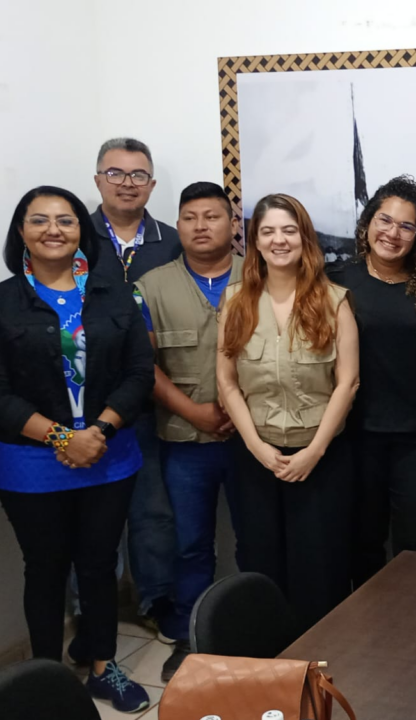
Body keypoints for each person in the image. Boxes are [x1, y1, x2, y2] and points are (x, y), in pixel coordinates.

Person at [0, 186, 155, 713]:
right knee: (46, 568)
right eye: (40, 220)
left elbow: (140, 373)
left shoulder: (115, 295)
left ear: (81, 231)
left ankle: (102, 665)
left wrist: (99, 431)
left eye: (66, 220)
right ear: (21, 232)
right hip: (32, 465)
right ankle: (46, 679)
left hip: (108, 455)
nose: (54, 229)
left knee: (98, 565)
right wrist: (61, 437)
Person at [217, 193, 360, 631]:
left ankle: (321, 657)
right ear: (255, 241)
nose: (279, 240)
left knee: (320, 565)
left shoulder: (334, 301)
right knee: (261, 561)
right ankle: (272, 656)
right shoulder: (235, 301)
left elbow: (347, 383)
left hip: (320, 458)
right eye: (268, 231)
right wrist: (257, 447)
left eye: (289, 230)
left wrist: (314, 451)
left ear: (304, 238)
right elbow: (227, 382)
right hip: (257, 457)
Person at [134, 182, 245, 681]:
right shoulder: (151, 287)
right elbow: (144, 364)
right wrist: (194, 412)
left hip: (253, 440)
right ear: (177, 224)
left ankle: (255, 626)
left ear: (233, 224)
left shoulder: (261, 274)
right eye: (190, 217)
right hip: (184, 440)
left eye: (212, 216)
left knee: (256, 538)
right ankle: (191, 636)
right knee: (190, 543)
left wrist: (239, 413)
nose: (201, 226)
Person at [328, 175, 416, 588]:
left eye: (406, 226)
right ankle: (365, 622)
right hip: (354, 436)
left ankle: (414, 622)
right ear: (368, 223)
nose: (393, 233)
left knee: (415, 545)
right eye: (385, 220)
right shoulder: (335, 282)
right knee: (362, 542)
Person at [91, 137, 182, 640]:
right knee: (91, 518)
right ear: (98, 179)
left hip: (152, 400)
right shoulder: (74, 235)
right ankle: (92, 611)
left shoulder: (172, 241)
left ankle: (155, 599)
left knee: (153, 511)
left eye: (138, 175)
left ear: (151, 183)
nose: (127, 183)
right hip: (87, 405)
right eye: (116, 173)